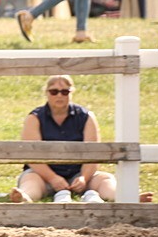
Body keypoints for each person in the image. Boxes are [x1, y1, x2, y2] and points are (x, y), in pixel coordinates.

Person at [9, 74, 114, 203]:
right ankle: (25, 197)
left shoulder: (86, 117)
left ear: (71, 93)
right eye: (54, 92)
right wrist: (52, 178)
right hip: (43, 174)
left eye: (65, 92)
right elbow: (32, 157)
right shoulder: (34, 118)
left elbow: (94, 153)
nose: (59, 95)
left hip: (78, 173)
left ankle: (125, 197)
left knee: (105, 179)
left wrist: (84, 178)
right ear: (47, 93)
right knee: (31, 181)